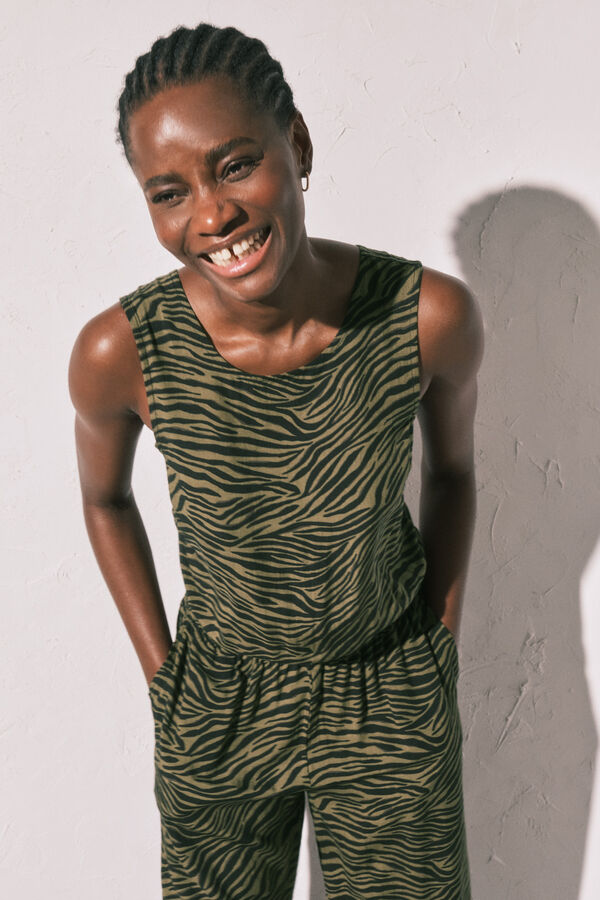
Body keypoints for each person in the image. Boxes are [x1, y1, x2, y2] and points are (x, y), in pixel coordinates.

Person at [69, 22, 483, 900]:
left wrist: (436, 644)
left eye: (234, 165)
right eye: (169, 192)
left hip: (386, 688)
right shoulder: (124, 350)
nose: (211, 215)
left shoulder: (423, 317)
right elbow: (104, 500)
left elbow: (452, 475)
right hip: (220, 702)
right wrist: (166, 679)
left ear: (296, 145)